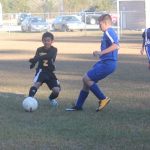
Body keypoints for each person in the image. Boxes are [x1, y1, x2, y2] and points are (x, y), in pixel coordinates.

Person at [66, 14, 119, 112]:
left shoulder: (108, 32)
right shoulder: (108, 32)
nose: (99, 26)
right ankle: (78, 106)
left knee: (86, 79)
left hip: (108, 63)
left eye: (100, 24)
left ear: (106, 23)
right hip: (104, 62)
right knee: (86, 81)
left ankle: (103, 99)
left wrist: (100, 52)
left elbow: (116, 46)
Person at [28, 32, 61, 106]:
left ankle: (51, 99)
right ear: (42, 41)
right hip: (41, 71)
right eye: (45, 40)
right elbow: (36, 57)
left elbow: (49, 56)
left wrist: (37, 58)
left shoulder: (54, 49)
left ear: (52, 41)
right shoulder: (39, 49)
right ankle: (29, 99)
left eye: (48, 40)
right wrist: (33, 63)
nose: (46, 42)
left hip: (50, 72)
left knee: (56, 91)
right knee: (37, 84)